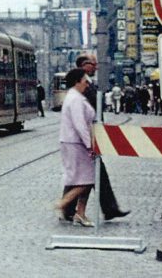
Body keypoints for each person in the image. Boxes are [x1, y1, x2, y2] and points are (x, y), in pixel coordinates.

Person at [62, 54, 128, 221]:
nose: (96, 67)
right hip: (83, 139)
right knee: (89, 174)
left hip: (89, 136)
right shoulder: (79, 88)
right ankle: (70, 207)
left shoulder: (87, 85)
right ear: (84, 66)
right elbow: (80, 120)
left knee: (84, 174)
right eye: (93, 64)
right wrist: (89, 143)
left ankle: (72, 208)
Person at [54, 68, 96, 227]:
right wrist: (89, 145)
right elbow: (80, 125)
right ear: (77, 82)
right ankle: (64, 203)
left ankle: (80, 213)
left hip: (74, 143)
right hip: (75, 143)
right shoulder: (75, 99)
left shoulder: (75, 96)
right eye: (85, 81)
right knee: (86, 179)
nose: (87, 84)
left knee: (85, 178)